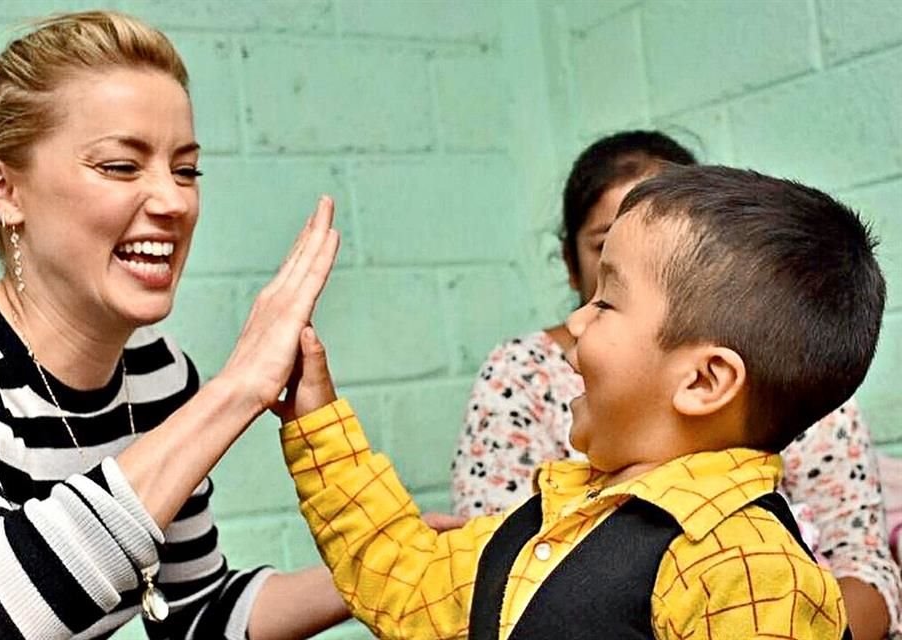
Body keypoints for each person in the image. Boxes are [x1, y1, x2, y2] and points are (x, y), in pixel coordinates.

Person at [276, 164, 880, 638]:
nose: (575, 321)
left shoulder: (745, 571)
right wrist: (316, 421)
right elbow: (404, 582)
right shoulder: (553, 527)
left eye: (607, 302)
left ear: (702, 382)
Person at [0, 11, 348, 639]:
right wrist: (238, 389)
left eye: (185, 170)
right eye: (120, 166)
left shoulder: (158, 376)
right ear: (4, 191)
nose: (174, 201)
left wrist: (396, 563)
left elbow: (192, 614)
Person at [451, 131, 902, 640]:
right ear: (571, 263)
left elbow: (863, 563)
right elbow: (495, 583)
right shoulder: (523, 373)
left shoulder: (780, 380)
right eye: (607, 247)